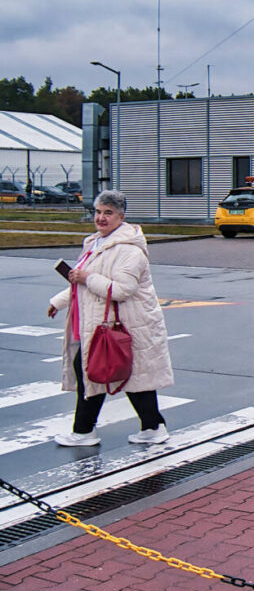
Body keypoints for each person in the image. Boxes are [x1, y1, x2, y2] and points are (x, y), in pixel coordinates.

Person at [47, 190, 174, 446]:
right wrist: (59, 302)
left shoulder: (130, 250)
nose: (101, 218)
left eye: (108, 213)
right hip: (103, 323)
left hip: (127, 324)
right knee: (128, 375)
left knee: (95, 371)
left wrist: (86, 278)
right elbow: (81, 279)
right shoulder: (95, 243)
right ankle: (152, 427)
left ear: (121, 216)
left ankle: (84, 431)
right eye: (98, 212)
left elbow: (122, 290)